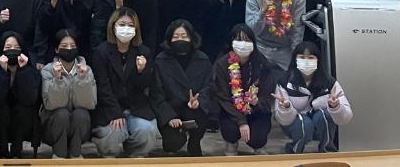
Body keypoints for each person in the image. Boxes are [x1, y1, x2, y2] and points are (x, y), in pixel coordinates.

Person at [90, 8, 160, 158]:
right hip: (109, 107)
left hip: (136, 107)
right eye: (122, 24)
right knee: (114, 132)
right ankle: (109, 157)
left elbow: (145, 86)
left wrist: (141, 71)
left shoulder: (143, 52)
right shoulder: (101, 52)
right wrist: (116, 113)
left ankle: (135, 155)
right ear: (113, 26)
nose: (126, 28)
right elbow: (102, 87)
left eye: (130, 25)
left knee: (147, 131)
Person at [274, 42, 353, 153]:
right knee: (305, 124)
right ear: (295, 59)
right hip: (295, 122)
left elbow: (346, 117)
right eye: (302, 57)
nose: (306, 61)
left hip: (318, 121)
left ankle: (327, 150)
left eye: (311, 58)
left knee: (325, 115)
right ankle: (295, 151)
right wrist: (285, 107)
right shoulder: (285, 82)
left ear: (318, 60)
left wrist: (335, 107)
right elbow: (282, 119)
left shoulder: (329, 82)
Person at [151, 19, 212, 157]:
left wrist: (199, 101)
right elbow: (156, 93)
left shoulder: (203, 59)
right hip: (171, 109)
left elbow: (209, 86)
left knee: (200, 115)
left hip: (193, 109)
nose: (180, 40)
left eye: (184, 36)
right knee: (172, 144)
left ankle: (195, 142)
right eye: (176, 36)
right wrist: (169, 116)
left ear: (191, 38)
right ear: (169, 39)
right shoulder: (161, 60)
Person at [213, 24, 276, 156]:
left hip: (257, 111)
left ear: (253, 43)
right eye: (239, 40)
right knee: (230, 130)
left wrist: (257, 102)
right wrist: (241, 122)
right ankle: (231, 143)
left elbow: (268, 94)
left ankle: (259, 146)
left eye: (247, 40)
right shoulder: (222, 64)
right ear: (231, 42)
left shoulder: (262, 64)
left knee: (258, 138)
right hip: (232, 111)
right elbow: (223, 97)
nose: (243, 44)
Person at [39, 29, 97, 158]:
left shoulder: (87, 70)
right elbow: (51, 105)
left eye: (73, 46)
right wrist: (58, 79)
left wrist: (82, 79)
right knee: (62, 114)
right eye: (64, 46)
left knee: (81, 113)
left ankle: (76, 154)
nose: (69, 49)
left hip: (79, 127)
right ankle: (59, 154)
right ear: (56, 49)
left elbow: (89, 103)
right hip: (53, 127)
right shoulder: (47, 70)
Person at [0, 31, 41, 158]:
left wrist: (23, 71)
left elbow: (30, 99)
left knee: (22, 109)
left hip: (22, 120)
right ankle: (2, 150)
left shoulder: (31, 71)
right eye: (8, 47)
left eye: (17, 47)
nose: (12, 50)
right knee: (1, 109)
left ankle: (17, 149)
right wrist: (3, 73)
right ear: (1, 49)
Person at [245, 0, 306, 74]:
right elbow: (251, 31)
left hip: (286, 50)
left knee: (291, 79)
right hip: (260, 47)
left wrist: (295, 57)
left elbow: (298, 30)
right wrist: (262, 11)